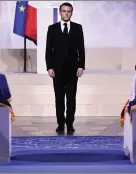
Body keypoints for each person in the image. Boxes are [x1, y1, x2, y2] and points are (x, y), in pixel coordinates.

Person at [45, 2, 85, 133]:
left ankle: (70, 123)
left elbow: (81, 49)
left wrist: (81, 66)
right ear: (60, 12)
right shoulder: (52, 28)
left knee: (71, 98)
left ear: (71, 13)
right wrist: (49, 67)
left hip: (73, 70)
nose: (66, 13)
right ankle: (60, 124)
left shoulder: (78, 28)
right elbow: (48, 50)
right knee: (59, 98)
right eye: (64, 11)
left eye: (68, 11)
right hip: (57, 70)